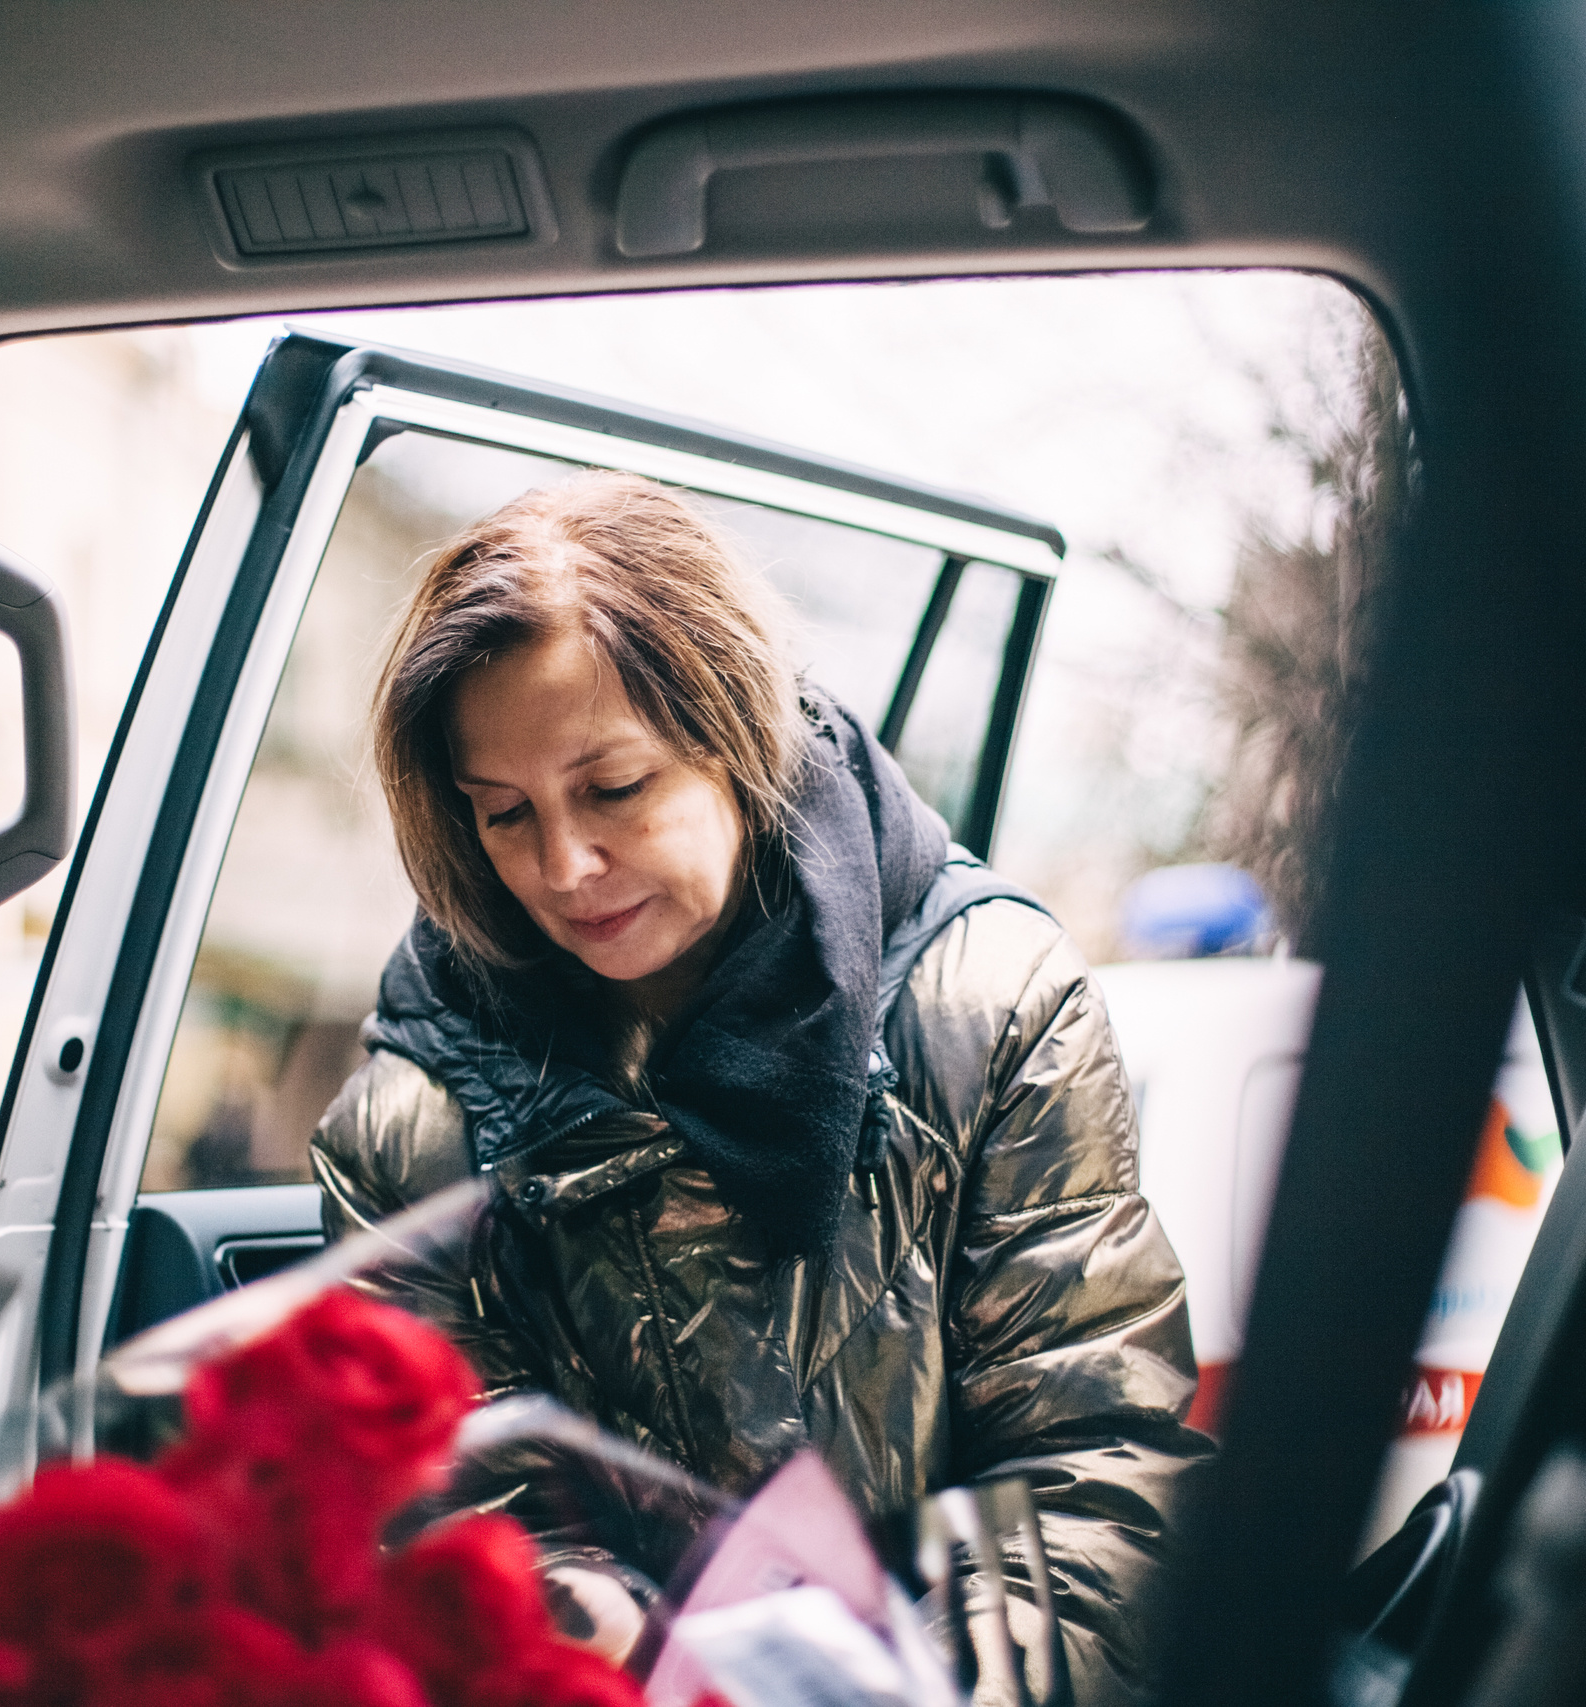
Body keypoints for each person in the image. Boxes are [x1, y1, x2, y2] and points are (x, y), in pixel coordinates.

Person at [311, 470, 1206, 1704]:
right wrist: (592, 1633)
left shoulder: (989, 1008)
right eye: (504, 815)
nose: (565, 865)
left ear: (737, 739)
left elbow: (1092, 1466)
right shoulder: (412, 1119)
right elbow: (453, 1511)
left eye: (613, 788)